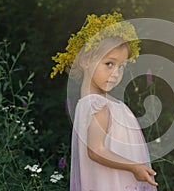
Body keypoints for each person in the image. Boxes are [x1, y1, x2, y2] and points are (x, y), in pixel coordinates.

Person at [50, 12, 158, 191]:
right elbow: (95, 150)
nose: (116, 73)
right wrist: (134, 167)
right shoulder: (96, 105)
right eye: (109, 63)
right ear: (85, 61)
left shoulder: (102, 104)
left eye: (121, 66)